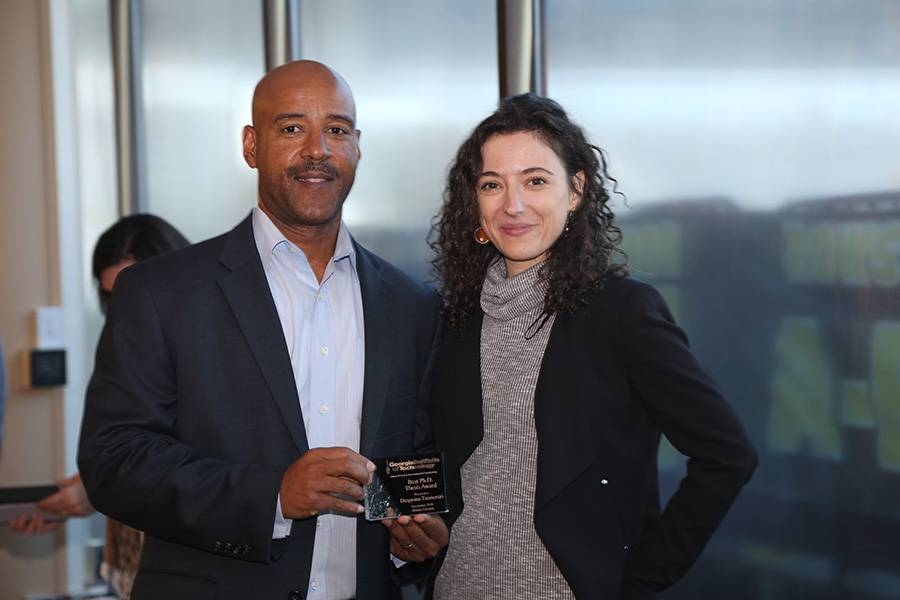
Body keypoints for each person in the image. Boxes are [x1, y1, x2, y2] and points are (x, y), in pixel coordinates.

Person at [78, 60, 447, 600]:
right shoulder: (160, 293)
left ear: (358, 146)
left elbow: (415, 465)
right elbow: (114, 459)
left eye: (337, 130)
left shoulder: (413, 306)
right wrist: (271, 495)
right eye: (293, 128)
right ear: (251, 146)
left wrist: (411, 540)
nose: (318, 149)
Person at [428, 93, 758, 599]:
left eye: (536, 180)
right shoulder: (455, 321)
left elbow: (728, 455)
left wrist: (638, 582)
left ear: (576, 189)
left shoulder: (621, 313)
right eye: (492, 185)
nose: (513, 205)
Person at [9, 213, 190, 599]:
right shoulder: (123, 353)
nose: (129, 308)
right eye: (113, 296)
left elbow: (207, 464)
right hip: (132, 569)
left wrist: (93, 494)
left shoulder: (207, 346)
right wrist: (81, 494)